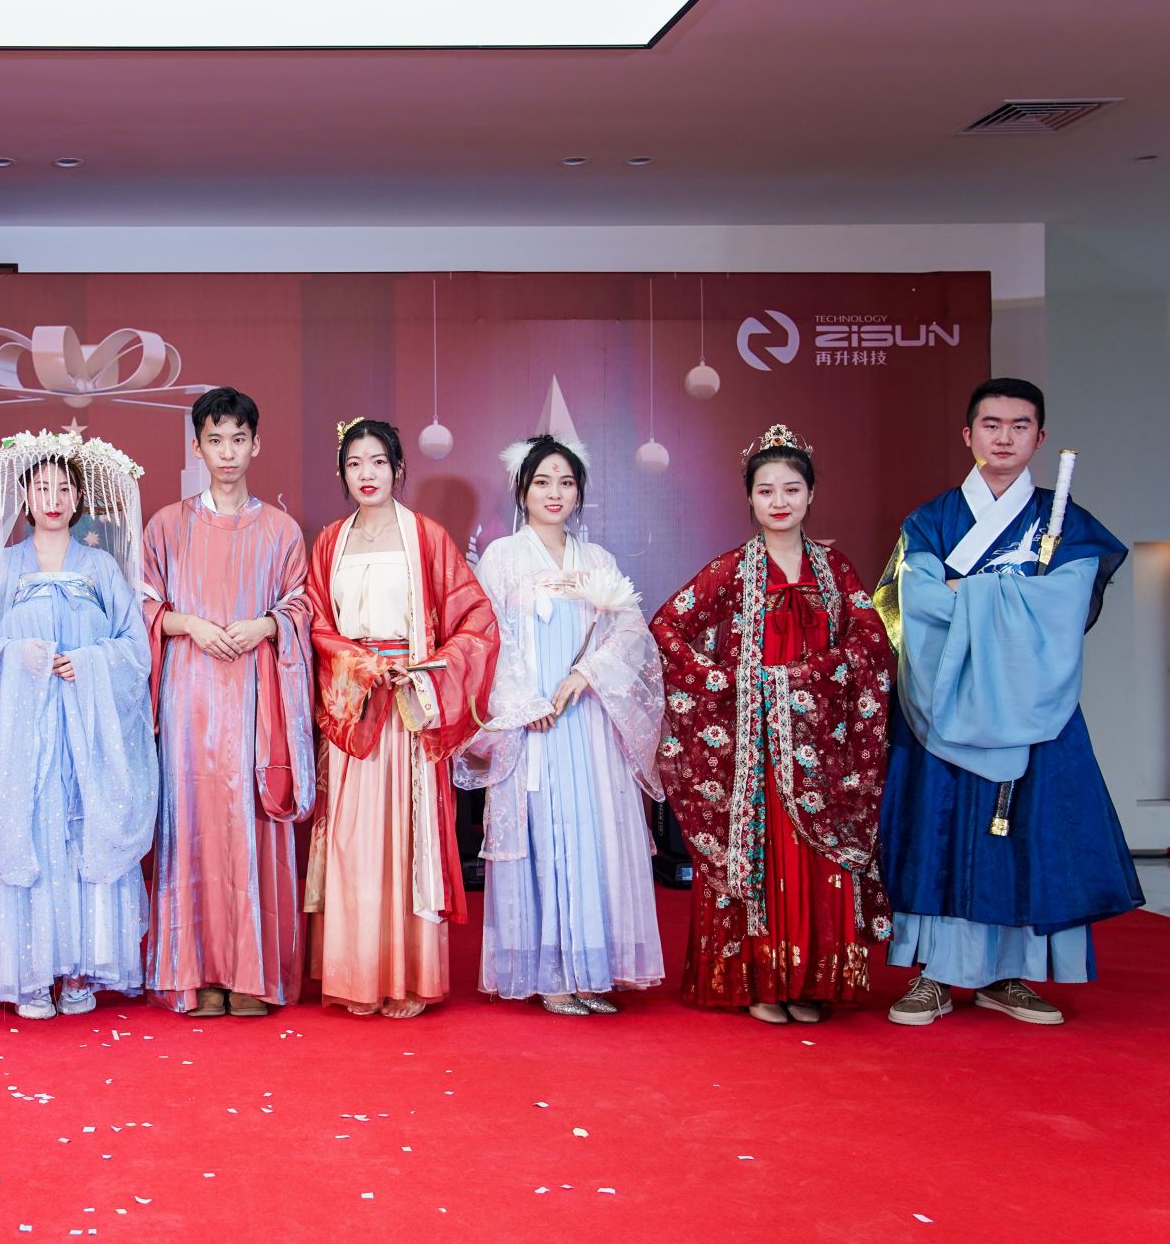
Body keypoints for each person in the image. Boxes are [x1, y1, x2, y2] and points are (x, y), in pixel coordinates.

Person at [877, 379, 1140, 1027]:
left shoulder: (1066, 523)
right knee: (939, 829)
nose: (1004, 437)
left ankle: (1010, 974)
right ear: (968, 435)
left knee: (1025, 834)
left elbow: (1065, 605)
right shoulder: (931, 520)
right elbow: (919, 603)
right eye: (991, 425)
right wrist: (1013, 596)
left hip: (1030, 705)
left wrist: (972, 592)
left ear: (1039, 438)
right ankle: (934, 974)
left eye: (1020, 426)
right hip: (944, 701)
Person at [650, 425, 892, 1025]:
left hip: (821, 744)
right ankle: (757, 982)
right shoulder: (733, 569)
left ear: (811, 495)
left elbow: (871, 639)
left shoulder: (835, 569)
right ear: (750, 499)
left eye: (791, 489)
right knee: (762, 854)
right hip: (753, 748)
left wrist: (813, 675)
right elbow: (666, 627)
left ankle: (809, 983)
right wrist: (724, 682)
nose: (779, 501)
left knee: (817, 860)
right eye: (766, 491)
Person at [455, 434, 665, 1015]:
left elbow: (631, 633)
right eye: (542, 481)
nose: (555, 493)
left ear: (579, 493)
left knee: (593, 838)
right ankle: (550, 975)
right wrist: (526, 702)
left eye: (566, 483)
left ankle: (590, 971)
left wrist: (587, 673)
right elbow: (487, 638)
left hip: (588, 720)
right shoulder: (502, 558)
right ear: (522, 490)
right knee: (545, 836)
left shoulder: (597, 561)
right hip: (536, 725)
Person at [0, 433, 157, 1018]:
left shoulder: (101, 568)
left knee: (81, 834)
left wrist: (88, 662)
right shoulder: (1, 568)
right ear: (25, 497)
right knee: (33, 836)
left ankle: (81, 970)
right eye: (42, 488)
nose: (54, 499)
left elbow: (135, 650)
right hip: (24, 736)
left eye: (64, 488)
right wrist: (19, 656)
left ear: (78, 497)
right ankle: (31, 973)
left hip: (87, 736)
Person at [306, 418, 498, 1017]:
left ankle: (408, 977)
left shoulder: (427, 537)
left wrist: (426, 671)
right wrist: (362, 667)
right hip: (356, 707)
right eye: (354, 464)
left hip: (411, 707)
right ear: (341, 473)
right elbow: (317, 625)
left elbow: (476, 619)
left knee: (406, 841)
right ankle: (356, 975)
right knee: (354, 839)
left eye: (378, 462)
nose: (366, 474)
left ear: (398, 469)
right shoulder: (329, 542)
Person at [140, 387, 317, 1017]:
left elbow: (302, 605)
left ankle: (251, 975)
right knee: (190, 825)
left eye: (238, 440)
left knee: (249, 822)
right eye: (215, 440)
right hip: (187, 700)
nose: (227, 453)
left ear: (256, 445)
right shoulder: (166, 525)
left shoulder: (281, 530)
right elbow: (141, 607)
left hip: (254, 700)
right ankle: (195, 974)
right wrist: (187, 623)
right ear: (197, 447)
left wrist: (266, 625)